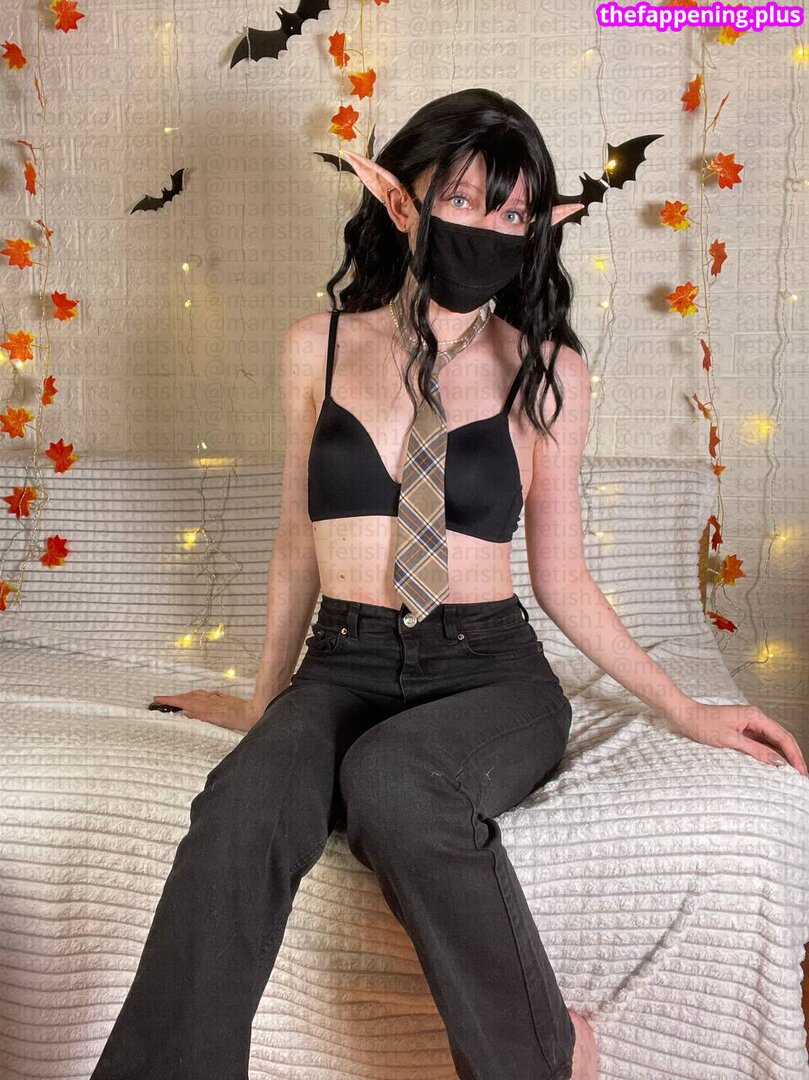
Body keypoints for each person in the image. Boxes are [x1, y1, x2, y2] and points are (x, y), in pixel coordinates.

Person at [91, 88, 807, 1080]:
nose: (487, 228)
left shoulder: (545, 370)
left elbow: (560, 576)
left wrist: (683, 707)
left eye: (512, 212)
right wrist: (265, 703)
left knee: (393, 779)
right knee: (243, 801)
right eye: (463, 199)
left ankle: (543, 1058)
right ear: (399, 201)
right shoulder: (317, 346)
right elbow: (297, 542)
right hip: (340, 663)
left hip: (488, 673)